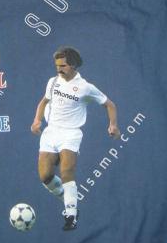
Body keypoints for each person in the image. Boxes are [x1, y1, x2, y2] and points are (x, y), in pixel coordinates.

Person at [31, 46, 120, 231]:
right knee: (45, 176)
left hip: (71, 133)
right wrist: (37, 120)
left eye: (63, 66)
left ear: (73, 65)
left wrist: (113, 125)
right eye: (57, 65)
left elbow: (110, 105)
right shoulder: (52, 82)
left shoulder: (85, 87)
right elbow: (43, 102)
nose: (59, 69)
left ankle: (71, 214)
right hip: (51, 132)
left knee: (66, 171)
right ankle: (69, 199)